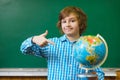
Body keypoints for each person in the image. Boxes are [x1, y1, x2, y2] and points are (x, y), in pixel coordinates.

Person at [20, 6, 104, 80]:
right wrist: (34, 39)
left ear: (81, 24)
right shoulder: (51, 44)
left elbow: (100, 74)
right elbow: (24, 49)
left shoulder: (90, 47)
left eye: (72, 21)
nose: (67, 24)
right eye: (64, 21)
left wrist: (96, 78)